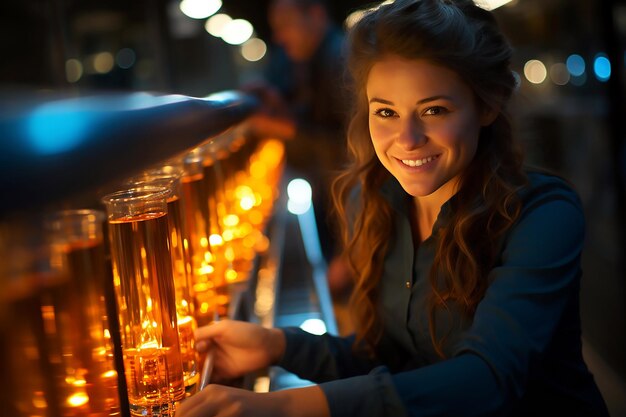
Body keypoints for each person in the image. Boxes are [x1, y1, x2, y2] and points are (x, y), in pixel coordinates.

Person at [178, 0, 610, 416]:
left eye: (434, 109)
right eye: (385, 111)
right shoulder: (379, 200)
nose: (407, 139)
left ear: (488, 104)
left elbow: (487, 381)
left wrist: (283, 407)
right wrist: (277, 345)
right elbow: (393, 360)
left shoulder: (542, 214)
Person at [244, 0, 348, 263]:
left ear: (316, 14)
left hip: (355, 231)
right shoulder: (312, 63)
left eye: (285, 26)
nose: (279, 37)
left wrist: (288, 130)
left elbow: (355, 153)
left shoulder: (343, 62)